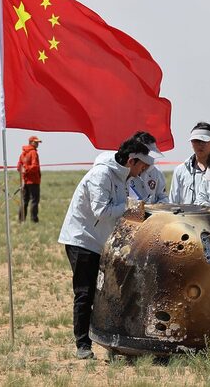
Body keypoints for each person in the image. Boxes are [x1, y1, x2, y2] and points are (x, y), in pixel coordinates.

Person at [58, 138, 153, 360]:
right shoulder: (101, 175)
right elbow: (101, 210)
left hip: (103, 241)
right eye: (141, 166)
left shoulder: (123, 177)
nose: (142, 172)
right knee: (86, 292)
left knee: (106, 293)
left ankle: (110, 341)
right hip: (82, 240)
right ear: (131, 161)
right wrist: (132, 209)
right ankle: (83, 344)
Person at [169, 122, 210, 204]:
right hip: (186, 216)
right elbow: (173, 201)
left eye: (204, 141)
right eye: (196, 141)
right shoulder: (181, 170)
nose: (200, 145)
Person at [17, 135, 42, 223]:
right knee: (34, 200)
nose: (37, 144)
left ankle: (21, 219)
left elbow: (19, 167)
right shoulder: (33, 153)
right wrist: (27, 169)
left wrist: (24, 170)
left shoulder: (23, 153)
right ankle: (34, 220)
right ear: (31, 142)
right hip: (34, 181)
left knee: (24, 200)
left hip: (25, 181)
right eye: (36, 142)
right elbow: (35, 167)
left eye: (38, 143)